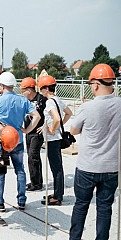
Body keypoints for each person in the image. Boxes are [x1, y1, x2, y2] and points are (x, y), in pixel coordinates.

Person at [68, 64, 121, 240]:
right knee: (105, 209)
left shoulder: (88, 107)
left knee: (81, 205)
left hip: (88, 166)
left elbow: (73, 130)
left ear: (95, 85)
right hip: (112, 167)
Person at [0, 72, 40, 211]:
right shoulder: (22, 100)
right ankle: (21, 200)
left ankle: (0, 202)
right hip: (18, 140)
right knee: (20, 170)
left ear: (1, 85)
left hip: (2, 141)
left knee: (0, 171)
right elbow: (36, 115)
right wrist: (27, 130)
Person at [38, 75, 73, 206]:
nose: (41, 91)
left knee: (56, 168)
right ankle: (57, 193)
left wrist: (52, 129)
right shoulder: (58, 100)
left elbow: (56, 118)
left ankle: (58, 197)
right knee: (57, 167)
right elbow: (69, 113)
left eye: (42, 88)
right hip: (57, 138)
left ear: (46, 89)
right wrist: (58, 128)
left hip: (53, 140)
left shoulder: (50, 102)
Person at [20, 77, 47, 191]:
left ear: (29, 90)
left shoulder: (42, 99)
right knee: (31, 158)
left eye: (23, 91)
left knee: (33, 156)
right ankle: (35, 181)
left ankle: (37, 184)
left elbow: (50, 114)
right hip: (28, 132)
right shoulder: (25, 101)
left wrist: (45, 125)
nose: (22, 93)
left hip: (37, 133)